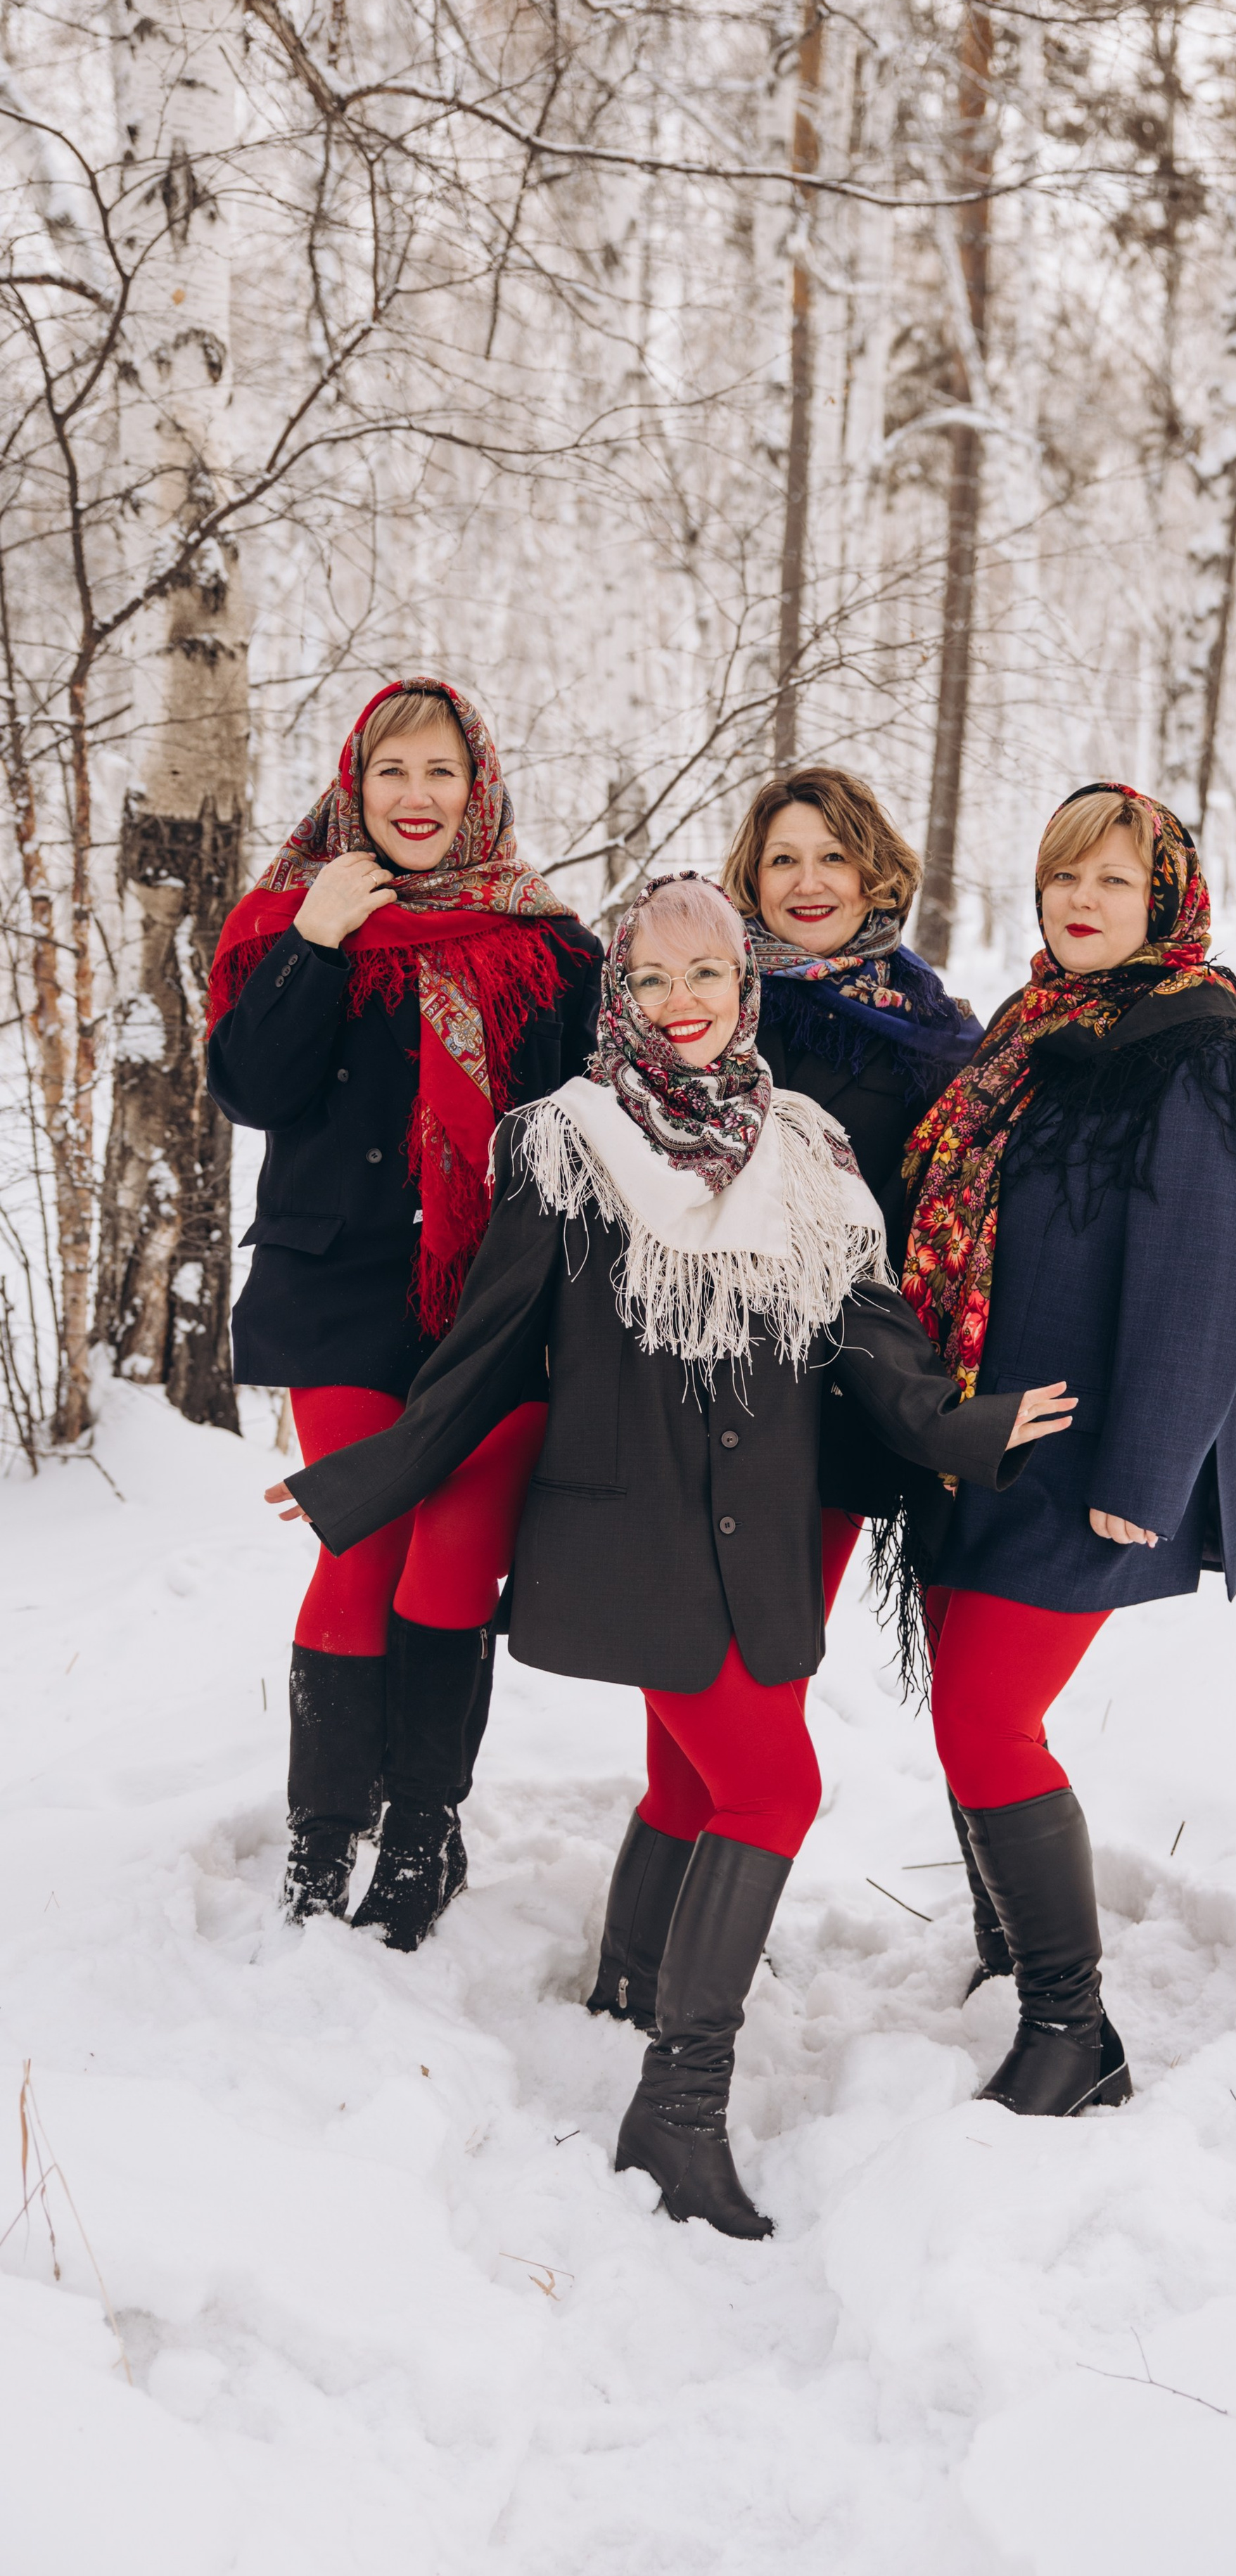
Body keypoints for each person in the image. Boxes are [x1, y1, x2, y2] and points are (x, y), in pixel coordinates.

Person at [269, 873, 1071, 2238]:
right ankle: (674, 2107)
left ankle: (629, 1984)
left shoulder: (806, 1148)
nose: (683, 1004)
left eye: (709, 976)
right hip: (626, 1536)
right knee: (771, 1788)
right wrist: (371, 1475)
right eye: (652, 979)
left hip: (755, 1535)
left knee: (700, 1781)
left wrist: (968, 1426)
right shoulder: (565, 1143)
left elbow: (871, 1337)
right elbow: (483, 1355)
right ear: (617, 995)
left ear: (745, 988)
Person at [899, 781, 1236, 2118]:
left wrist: (1144, 1481)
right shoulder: (1031, 1027)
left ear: (1165, 899)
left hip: (1089, 1459)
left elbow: (1204, 1280)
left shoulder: (1195, 1050)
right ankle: (1016, 1964)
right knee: (968, 1713)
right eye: (1065, 875)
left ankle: (1076, 2033)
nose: (1081, 901)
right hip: (985, 1440)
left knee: (985, 1717)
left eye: (1114, 882)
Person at [208, 680, 600, 1946]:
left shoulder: (551, 942)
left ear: (477, 783)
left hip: (494, 1306)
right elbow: (251, 1091)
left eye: (442, 773)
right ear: (355, 784)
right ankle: (324, 1835)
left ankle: (426, 1828)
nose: (418, 798)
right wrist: (317, 943)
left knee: (452, 1560)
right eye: (393, 774)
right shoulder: (293, 915)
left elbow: (595, 1131)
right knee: (362, 1544)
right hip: (342, 1289)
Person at [717, 768, 1005, 1982]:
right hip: (718, 1399)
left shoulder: (941, 1034)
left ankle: (1013, 1941)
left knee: (794, 1662)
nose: (810, 883)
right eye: (783, 860)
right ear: (750, 879)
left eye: (832, 857)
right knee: (724, 1674)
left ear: (878, 871)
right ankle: (675, 1945)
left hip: (859, 1406)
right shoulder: (708, 1009)